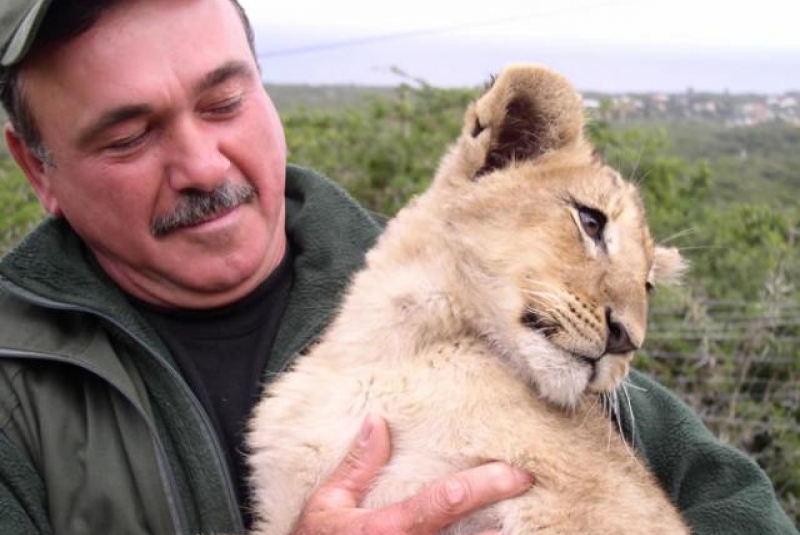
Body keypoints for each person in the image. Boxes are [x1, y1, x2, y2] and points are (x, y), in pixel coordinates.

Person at [0, 1, 794, 535]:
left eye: (224, 102)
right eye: (128, 135)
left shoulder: (484, 301)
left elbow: (732, 498)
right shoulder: (15, 391)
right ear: (38, 173)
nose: (204, 165)